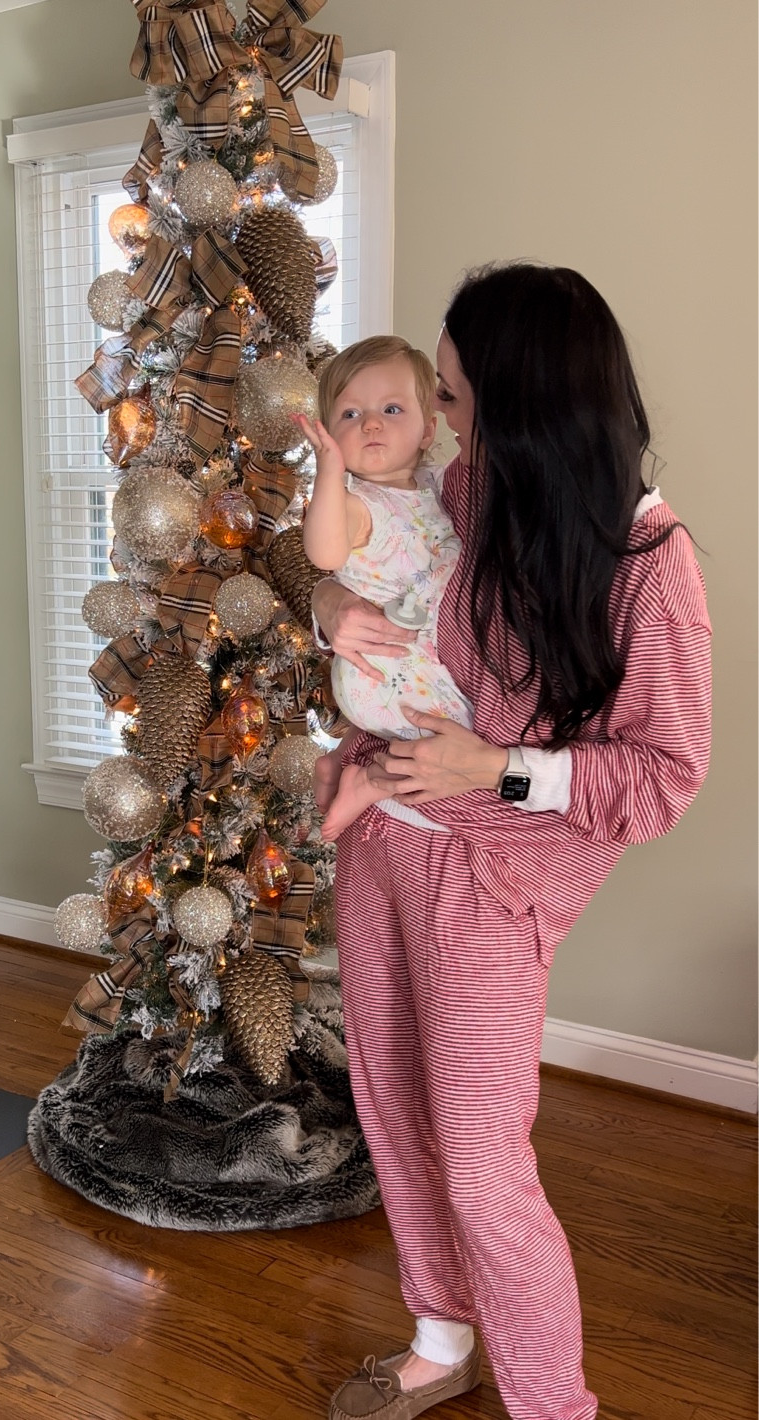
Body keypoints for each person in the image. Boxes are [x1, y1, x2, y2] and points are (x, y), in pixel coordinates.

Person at [312, 264, 712, 1420]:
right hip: (376, 826)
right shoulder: (472, 489)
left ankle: (552, 1404)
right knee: (388, 1102)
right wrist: (321, 604)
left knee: (481, 1159)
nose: (433, 422)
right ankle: (440, 1336)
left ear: (521, 400)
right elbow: (359, 544)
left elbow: (663, 776)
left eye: (449, 396)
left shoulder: (646, 563)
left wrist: (490, 767)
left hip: (490, 871)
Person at [297, 335, 474, 841]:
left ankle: (339, 764)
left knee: (461, 737)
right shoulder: (357, 504)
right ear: (330, 433)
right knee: (454, 741)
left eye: (391, 409)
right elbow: (325, 554)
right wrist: (329, 473)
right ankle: (369, 782)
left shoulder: (438, 484)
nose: (371, 424)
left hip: (423, 657)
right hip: (385, 667)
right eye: (350, 415)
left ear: (427, 430)